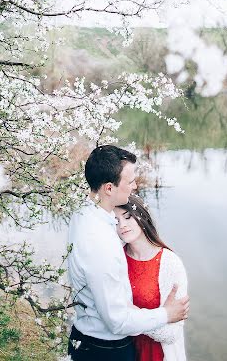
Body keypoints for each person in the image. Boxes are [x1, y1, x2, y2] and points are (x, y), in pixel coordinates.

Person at [67, 145, 189, 361]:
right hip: (106, 350)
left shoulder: (83, 215)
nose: (134, 186)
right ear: (109, 188)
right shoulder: (101, 241)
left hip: (88, 340)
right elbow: (117, 321)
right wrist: (166, 314)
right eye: (130, 181)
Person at [115, 194, 187, 361]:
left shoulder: (170, 263)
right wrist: (162, 315)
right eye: (116, 221)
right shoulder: (115, 258)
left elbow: (171, 334)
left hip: (156, 354)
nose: (122, 225)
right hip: (121, 351)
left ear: (142, 216)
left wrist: (128, 312)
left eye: (127, 217)